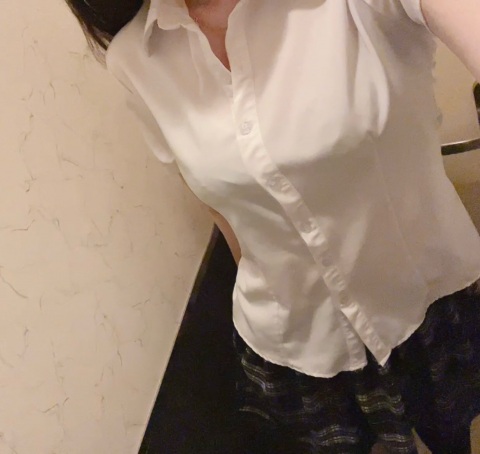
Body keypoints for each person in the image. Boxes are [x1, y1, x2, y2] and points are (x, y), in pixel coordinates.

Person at [65, 1, 480, 452]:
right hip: (298, 351)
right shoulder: (134, 57)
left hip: (429, 306)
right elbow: (222, 210)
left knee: (452, 437)